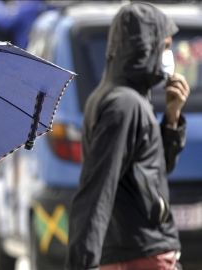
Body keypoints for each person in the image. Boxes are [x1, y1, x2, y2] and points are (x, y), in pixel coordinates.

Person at [66, 3, 189, 270]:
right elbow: (97, 189)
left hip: (137, 250)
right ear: (145, 47)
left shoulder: (126, 97)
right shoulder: (124, 104)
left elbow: (150, 174)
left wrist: (171, 119)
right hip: (141, 254)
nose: (170, 56)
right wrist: (82, 263)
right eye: (165, 46)